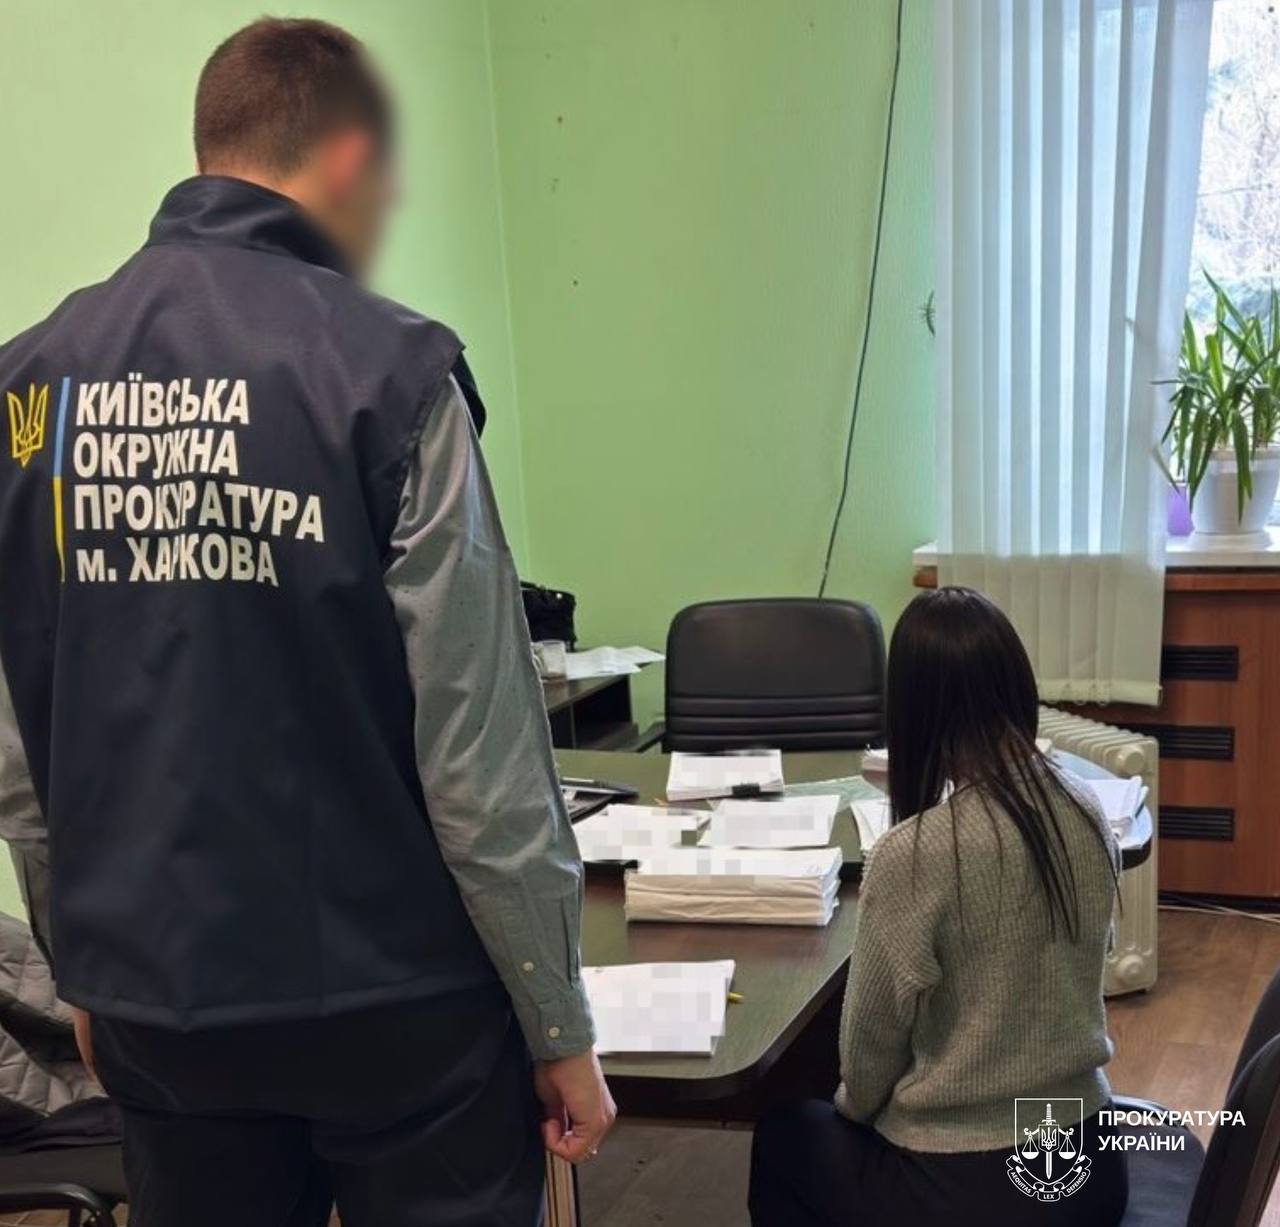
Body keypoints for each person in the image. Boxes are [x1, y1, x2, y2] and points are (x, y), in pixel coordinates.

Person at [0, 17, 613, 1226]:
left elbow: (23, 754)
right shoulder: (395, 374)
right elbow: (479, 761)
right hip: (398, 1012)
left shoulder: (28, 389)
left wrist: (83, 969)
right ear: (345, 160)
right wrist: (559, 1023)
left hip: (158, 1004)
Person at [749, 587, 1128, 1227]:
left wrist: (857, 1110)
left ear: (913, 710)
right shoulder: (1087, 808)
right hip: (1088, 1169)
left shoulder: (914, 853)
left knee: (786, 1132)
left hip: (969, 1188)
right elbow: (1091, 958)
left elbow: (868, 1058)